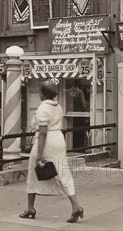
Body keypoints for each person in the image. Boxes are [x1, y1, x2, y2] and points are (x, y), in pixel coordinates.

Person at [21, 81, 83, 223]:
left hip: (46, 141)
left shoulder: (43, 108)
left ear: (42, 93)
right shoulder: (58, 107)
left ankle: (30, 207)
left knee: (33, 172)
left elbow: (42, 132)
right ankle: (75, 205)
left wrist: (39, 154)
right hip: (58, 139)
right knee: (63, 172)